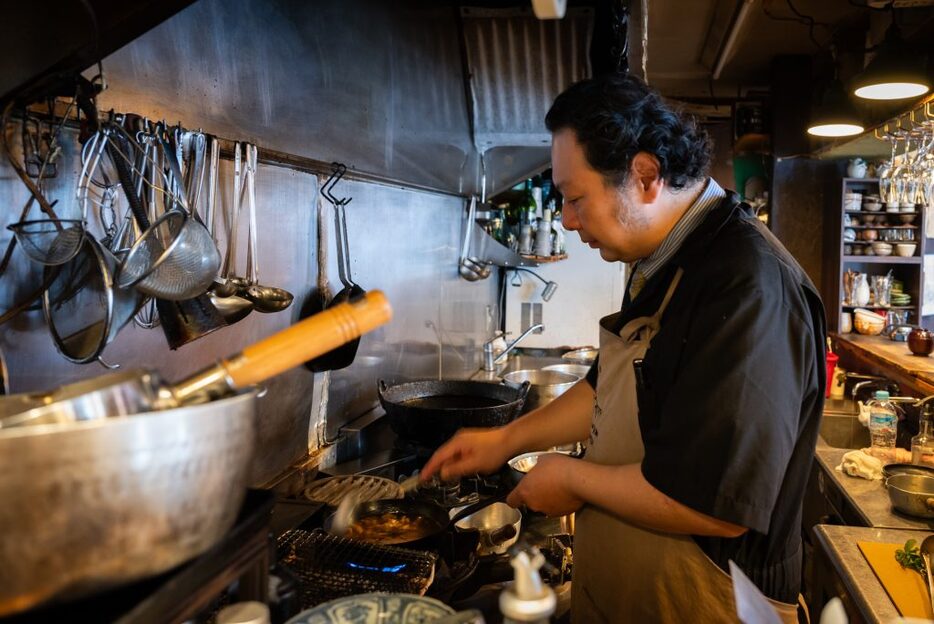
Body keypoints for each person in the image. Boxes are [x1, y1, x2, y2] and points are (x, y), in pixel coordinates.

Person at [421, 73, 825, 623]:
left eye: (574, 197)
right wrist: (506, 439)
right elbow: (609, 388)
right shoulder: (665, 260)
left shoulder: (747, 283)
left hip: (710, 602)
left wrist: (570, 479)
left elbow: (716, 504)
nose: (566, 219)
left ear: (645, 176)